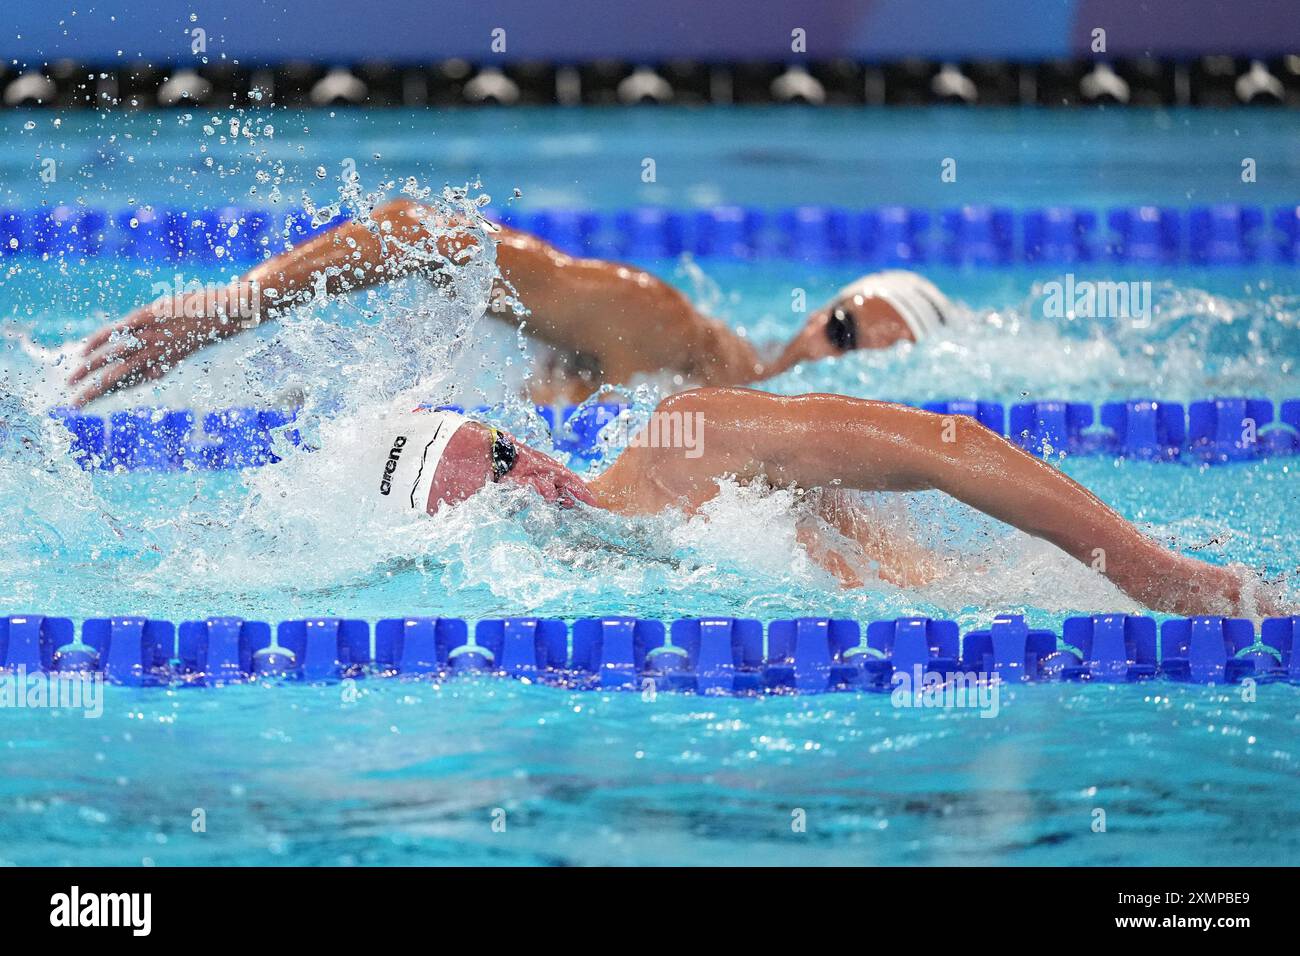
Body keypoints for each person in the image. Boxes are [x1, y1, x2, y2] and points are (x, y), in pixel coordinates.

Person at [373, 385, 1289, 618]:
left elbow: (950, 445)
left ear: (523, 437)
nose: (525, 479)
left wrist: (1157, 577)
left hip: (1046, 605)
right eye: (490, 486)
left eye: (504, 452)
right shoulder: (549, 607)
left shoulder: (683, 444)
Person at [68, 198, 961, 406]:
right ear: (817, 313)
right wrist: (240, 302)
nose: (825, 354)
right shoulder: (670, 333)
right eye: (839, 326)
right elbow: (423, 232)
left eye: (857, 357)